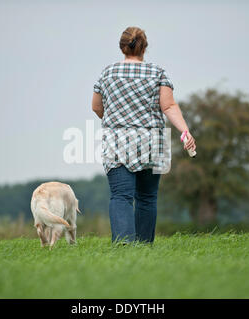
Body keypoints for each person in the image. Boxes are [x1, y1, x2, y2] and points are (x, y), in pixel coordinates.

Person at [91, 26, 196, 244]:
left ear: (122, 47)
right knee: (147, 198)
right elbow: (168, 106)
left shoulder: (108, 72)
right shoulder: (157, 72)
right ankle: (143, 249)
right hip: (151, 144)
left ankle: (123, 245)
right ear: (144, 48)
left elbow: (96, 107)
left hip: (117, 142)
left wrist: (113, 120)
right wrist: (185, 132)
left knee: (121, 196)